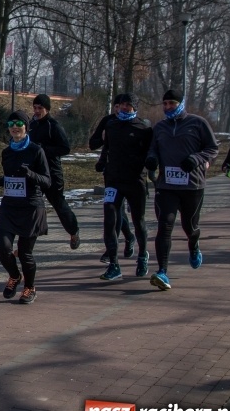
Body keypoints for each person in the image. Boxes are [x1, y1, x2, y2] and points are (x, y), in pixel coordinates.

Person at [144, 89, 219, 291]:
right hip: (166, 186)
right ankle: (162, 272)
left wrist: (195, 159)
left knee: (190, 226)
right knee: (164, 225)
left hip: (192, 186)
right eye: (165, 103)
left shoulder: (198, 123)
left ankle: (193, 245)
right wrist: (152, 159)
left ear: (181, 103)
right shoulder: (160, 127)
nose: (168, 107)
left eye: (172, 103)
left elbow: (213, 149)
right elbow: (153, 148)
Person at [0, 110, 51, 304]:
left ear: (26, 126)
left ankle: (29, 287)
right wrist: (4, 180)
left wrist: (31, 175)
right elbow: (12, 178)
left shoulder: (36, 151)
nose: (15, 127)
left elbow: (47, 181)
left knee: (25, 252)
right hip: (9, 207)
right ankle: (14, 276)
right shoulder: (6, 152)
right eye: (11, 124)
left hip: (31, 208)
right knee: (3, 248)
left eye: (19, 123)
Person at [96, 93, 153, 280]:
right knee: (110, 220)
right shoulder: (111, 125)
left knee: (138, 221)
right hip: (113, 181)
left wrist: (147, 171)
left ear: (135, 108)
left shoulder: (143, 128)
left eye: (128, 105)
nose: (124, 108)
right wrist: (102, 162)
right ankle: (114, 264)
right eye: (121, 105)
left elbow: (150, 154)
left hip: (135, 182)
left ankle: (143, 255)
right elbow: (107, 147)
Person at [28, 94, 80, 249]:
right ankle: (26, 243)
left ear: (47, 109)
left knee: (59, 205)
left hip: (52, 174)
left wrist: (44, 150)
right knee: (31, 206)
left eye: (40, 108)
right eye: (35, 108)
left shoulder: (54, 126)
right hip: (35, 174)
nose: (37, 111)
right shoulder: (31, 124)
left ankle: (73, 231)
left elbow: (65, 148)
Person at [90, 93, 136, 263]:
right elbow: (92, 143)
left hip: (128, 174)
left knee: (117, 211)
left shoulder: (135, 124)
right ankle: (124, 240)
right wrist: (103, 139)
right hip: (110, 173)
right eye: (116, 107)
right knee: (113, 210)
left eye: (123, 106)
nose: (119, 110)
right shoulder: (108, 122)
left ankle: (113, 249)